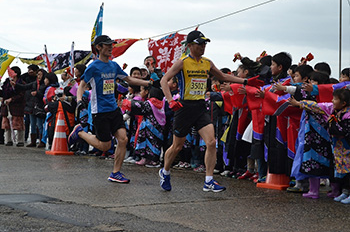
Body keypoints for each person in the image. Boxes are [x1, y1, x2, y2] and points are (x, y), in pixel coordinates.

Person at [159, 30, 260, 192]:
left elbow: (223, 76)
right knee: (177, 146)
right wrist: (170, 100)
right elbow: (163, 80)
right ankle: (165, 171)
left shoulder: (207, 62)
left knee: (211, 142)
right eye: (199, 44)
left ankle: (209, 180)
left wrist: (246, 81)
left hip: (200, 107)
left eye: (204, 44)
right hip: (184, 108)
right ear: (190, 46)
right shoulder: (182, 62)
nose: (203, 47)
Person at [68, 35, 151, 183]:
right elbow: (82, 85)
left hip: (113, 108)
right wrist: (80, 100)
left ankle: (116, 172)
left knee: (123, 139)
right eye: (107, 45)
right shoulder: (93, 67)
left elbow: (129, 79)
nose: (110, 47)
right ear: (99, 47)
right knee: (105, 145)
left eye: (111, 44)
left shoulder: (114, 66)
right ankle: (80, 132)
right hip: (99, 111)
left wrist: (148, 83)